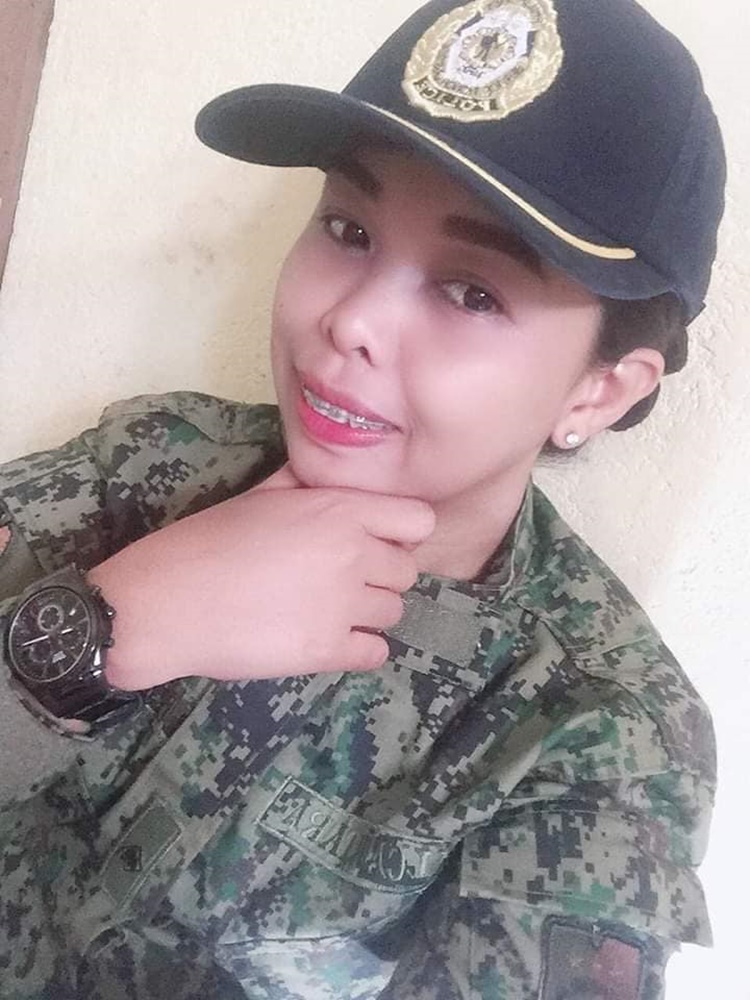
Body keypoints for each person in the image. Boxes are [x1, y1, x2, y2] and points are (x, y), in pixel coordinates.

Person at [0, 0, 725, 997]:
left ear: (597, 392)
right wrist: (104, 627)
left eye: (472, 293)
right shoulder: (152, 459)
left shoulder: (599, 733)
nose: (350, 322)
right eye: (348, 228)